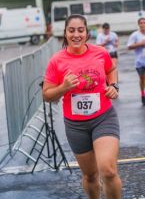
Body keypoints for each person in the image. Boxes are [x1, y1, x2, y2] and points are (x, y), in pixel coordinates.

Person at [43, 14, 122, 199]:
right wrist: (63, 87)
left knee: (108, 170)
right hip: (76, 125)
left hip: (104, 117)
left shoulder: (100, 52)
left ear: (87, 33)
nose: (76, 34)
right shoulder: (57, 60)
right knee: (90, 175)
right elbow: (46, 95)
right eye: (72, 30)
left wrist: (114, 86)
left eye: (81, 30)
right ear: (65, 33)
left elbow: (111, 70)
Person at [127, 17, 145, 107]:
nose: (143, 24)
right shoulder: (134, 35)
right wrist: (140, 44)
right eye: (141, 23)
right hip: (140, 61)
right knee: (142, 79)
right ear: (139, 24)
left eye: (144, 23)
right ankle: (143, 93)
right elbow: (129, 47)